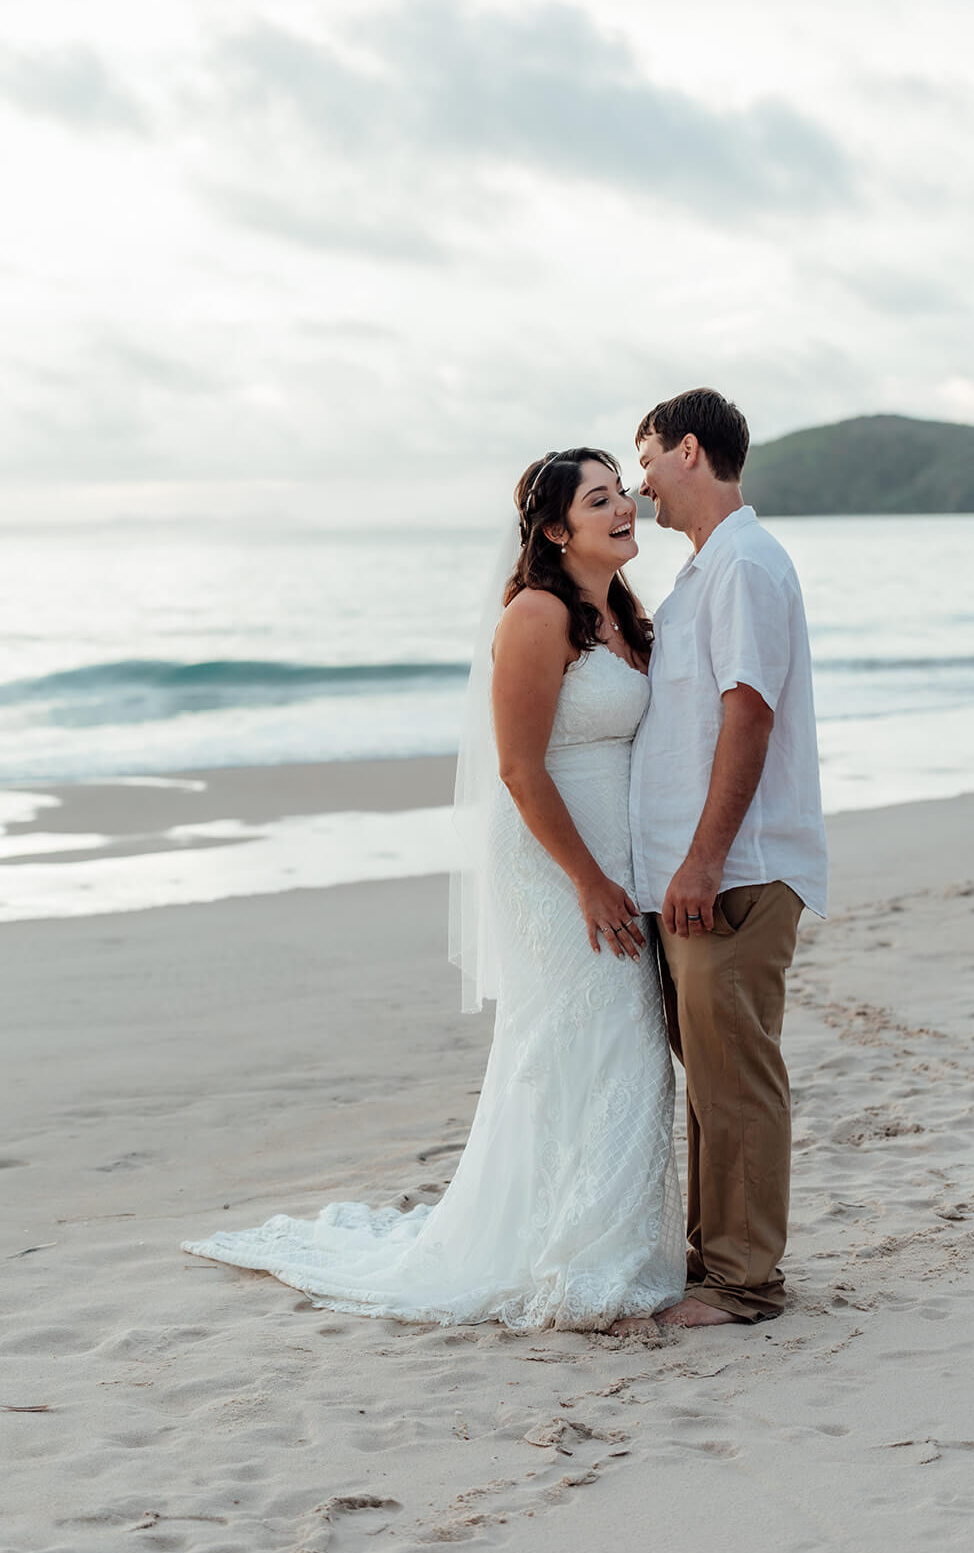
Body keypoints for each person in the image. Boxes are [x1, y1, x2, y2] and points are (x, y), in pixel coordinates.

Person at [183, 448, 684, 1331]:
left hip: (613, 861)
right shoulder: (535, 615)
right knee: (589, 1034)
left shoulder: (619, 613)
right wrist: (589, 881)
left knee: (623, 1042)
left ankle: (606, 1243)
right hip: (556, 861)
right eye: (599, 500)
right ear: (555, 530)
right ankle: (577, 1263)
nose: (623, 510)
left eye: (623, 495)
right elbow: (521, 771)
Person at [628, 388, 828, 1327]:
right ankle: (719, 1264)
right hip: (702, 869)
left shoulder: (744, 563)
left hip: (738, 870)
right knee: (709, 1074)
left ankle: (745, 1280)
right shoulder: (706, 571)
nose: (640, 484)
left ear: (692, 452)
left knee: (734, 1076)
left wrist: (705, 861)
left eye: (649, 459)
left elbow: (748, 713)